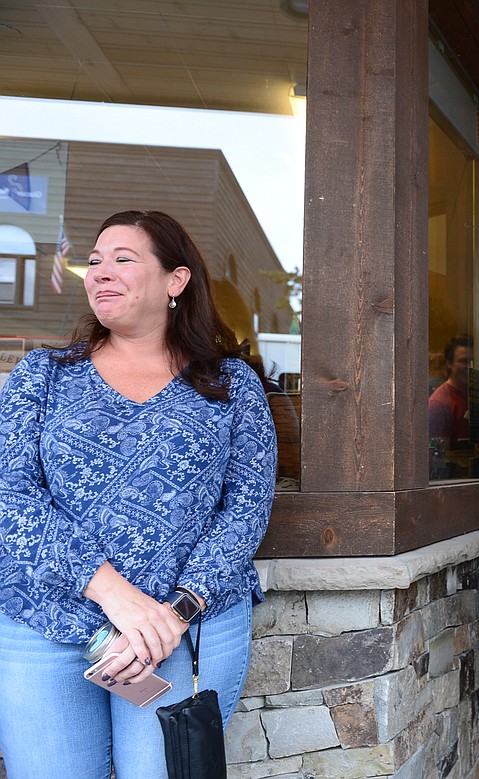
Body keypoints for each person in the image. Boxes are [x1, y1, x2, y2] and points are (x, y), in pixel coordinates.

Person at [0, 210, 276, 779]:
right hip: (45, 623)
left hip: (185, 631)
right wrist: (113, 595)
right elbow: (10, 494)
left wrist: (176, 612)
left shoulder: (229, 383)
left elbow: (247, 505)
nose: (101, 272)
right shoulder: (44, 375)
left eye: (124, 260)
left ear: (176, 282)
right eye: (95, 261)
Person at [428, 333, 472, 475]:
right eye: (463, 361)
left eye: (472, 361)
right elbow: (437, 459)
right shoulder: (438, 404)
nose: (469, 366)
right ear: (449, 363)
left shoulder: (477, 395)